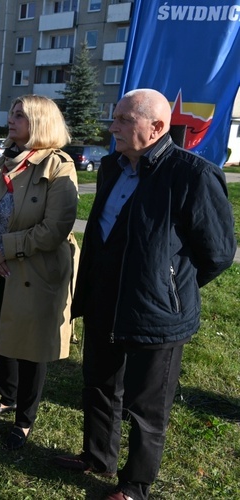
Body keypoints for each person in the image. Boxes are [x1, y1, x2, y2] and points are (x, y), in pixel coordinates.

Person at [53, 89, 236, 500]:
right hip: (104, 299)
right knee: (99, 385)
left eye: (122, 120)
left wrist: (168, 285)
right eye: (114, 118)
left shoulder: (193, 175)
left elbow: (218, 254)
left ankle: (135, 485)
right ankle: (97, 457)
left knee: (147, 407)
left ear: (156, 128)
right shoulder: (112, 166)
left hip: (157, 313)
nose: (111, 127)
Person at [0, 94, 79, 450]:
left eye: (19, 115)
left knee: (31, 346)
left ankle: (25, 420)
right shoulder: (6, 162)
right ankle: (6, 398)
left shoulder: (58, 166)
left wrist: (7, 249)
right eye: (11, 113)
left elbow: (56, 228)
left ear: (40, 122)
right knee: (2, 332)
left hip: (37, 270)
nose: (10, 120)